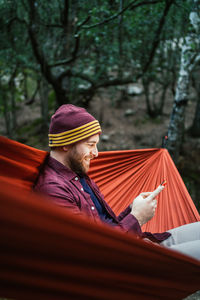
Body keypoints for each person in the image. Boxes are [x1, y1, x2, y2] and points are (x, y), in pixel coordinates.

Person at [34, 104, 200, 260]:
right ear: (66, 145)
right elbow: (93, 248)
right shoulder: (52, 190)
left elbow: (106, 227)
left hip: (142, 243)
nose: (96, 153)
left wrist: (131, 210)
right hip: (135, 263)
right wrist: (137, 217)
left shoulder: (77, 174)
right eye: (91, 145)